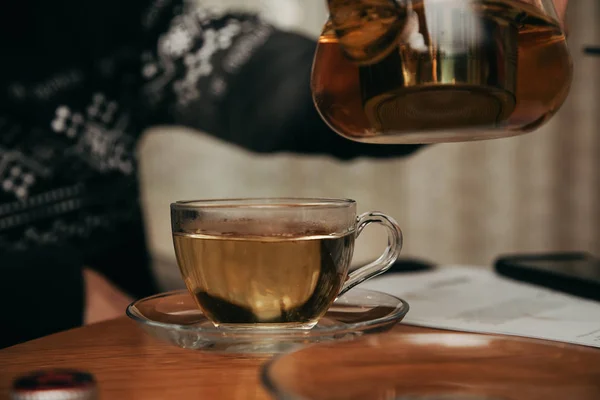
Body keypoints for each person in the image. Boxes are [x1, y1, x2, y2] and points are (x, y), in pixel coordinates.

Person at [0, 0, 569, 348]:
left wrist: (423, 53)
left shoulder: (103, 15)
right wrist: (44, 292)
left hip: (131, 354)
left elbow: (260, 80)